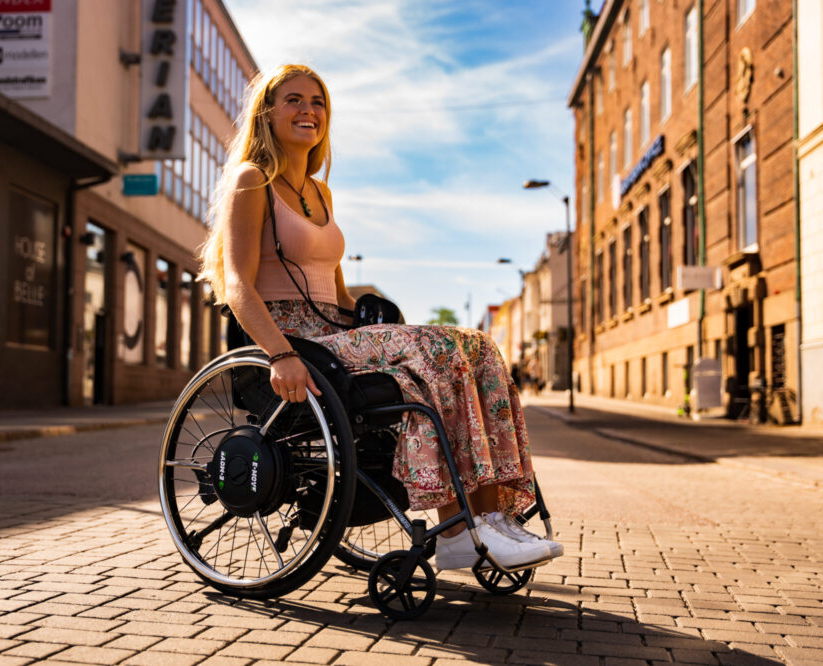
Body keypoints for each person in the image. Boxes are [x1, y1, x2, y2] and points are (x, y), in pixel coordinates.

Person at [200, 64, 562, 570]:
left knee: (476, 346)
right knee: (434, 352)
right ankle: (457, 528)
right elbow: (236, 283)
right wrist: (279, 354)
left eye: (318, 102)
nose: (309, 110)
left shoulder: (320, 193)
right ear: (267, 113)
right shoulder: (251, 180)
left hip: (334, 332)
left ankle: (491, 516)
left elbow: (341, 294)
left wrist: (392, 326)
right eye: (294, 100)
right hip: (292, 338)